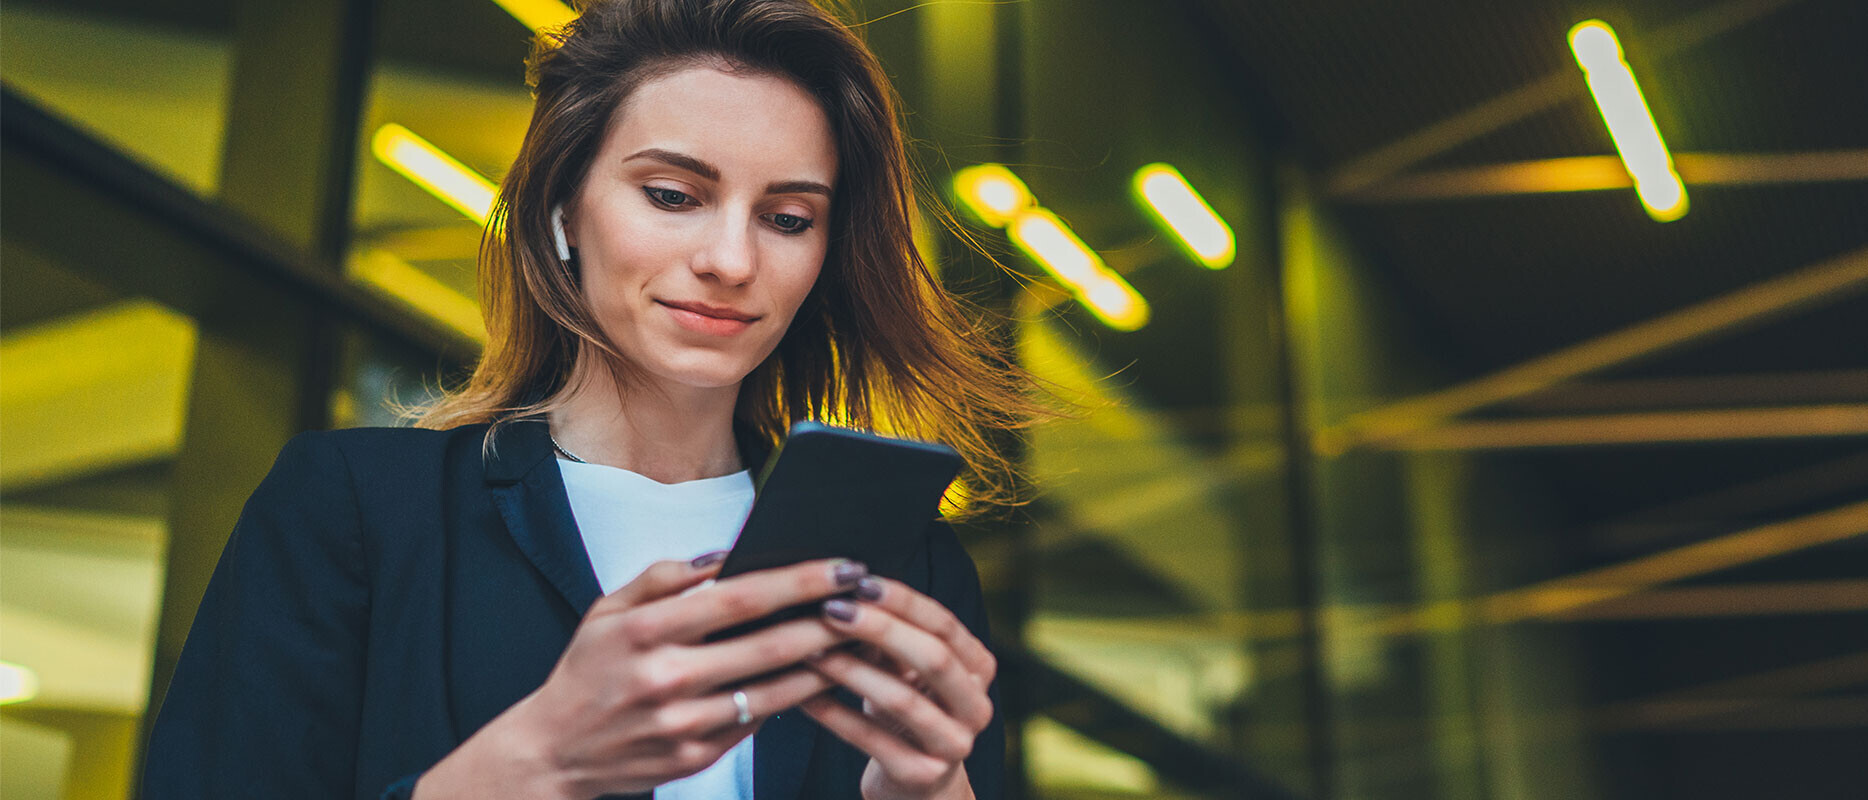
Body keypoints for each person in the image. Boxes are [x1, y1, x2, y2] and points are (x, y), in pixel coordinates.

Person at [140, 1, 1043, 798]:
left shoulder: (905, 571)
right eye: (672, 195)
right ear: (562, 209)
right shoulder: (357, 510)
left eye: (787, 218)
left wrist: (929, 795)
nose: (732, 260)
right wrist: (540, 762)